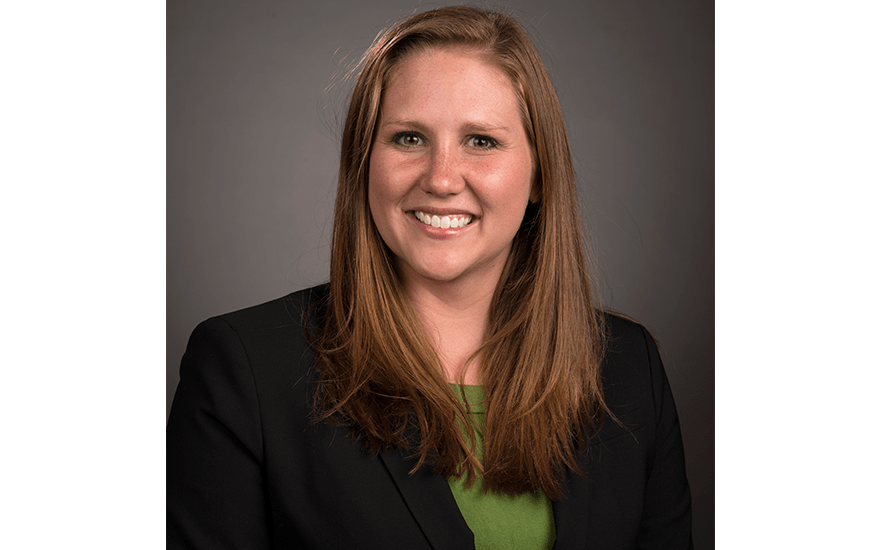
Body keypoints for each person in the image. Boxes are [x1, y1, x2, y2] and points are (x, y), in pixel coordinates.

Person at [167, 6, 693, 549]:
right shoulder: (246, 370)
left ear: (539, 173)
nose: (441, 179)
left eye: (481, 141)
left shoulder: (630, 371)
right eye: (409, 138)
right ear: (363, 162)